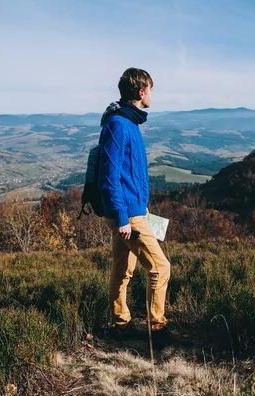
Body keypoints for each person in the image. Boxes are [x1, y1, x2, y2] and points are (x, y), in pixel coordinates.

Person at [98, 67, 171, 336]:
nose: (152, 95)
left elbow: (130, 175)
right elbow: (109, 177)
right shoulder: (118, 125)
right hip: (127, 216)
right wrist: (122, 219)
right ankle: (157, 328)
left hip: (133, 211)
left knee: (122, 270)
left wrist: (142, 205)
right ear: (141, 92)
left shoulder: (129, 123)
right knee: (160, 267)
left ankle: (120, 324)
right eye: (150, 89)